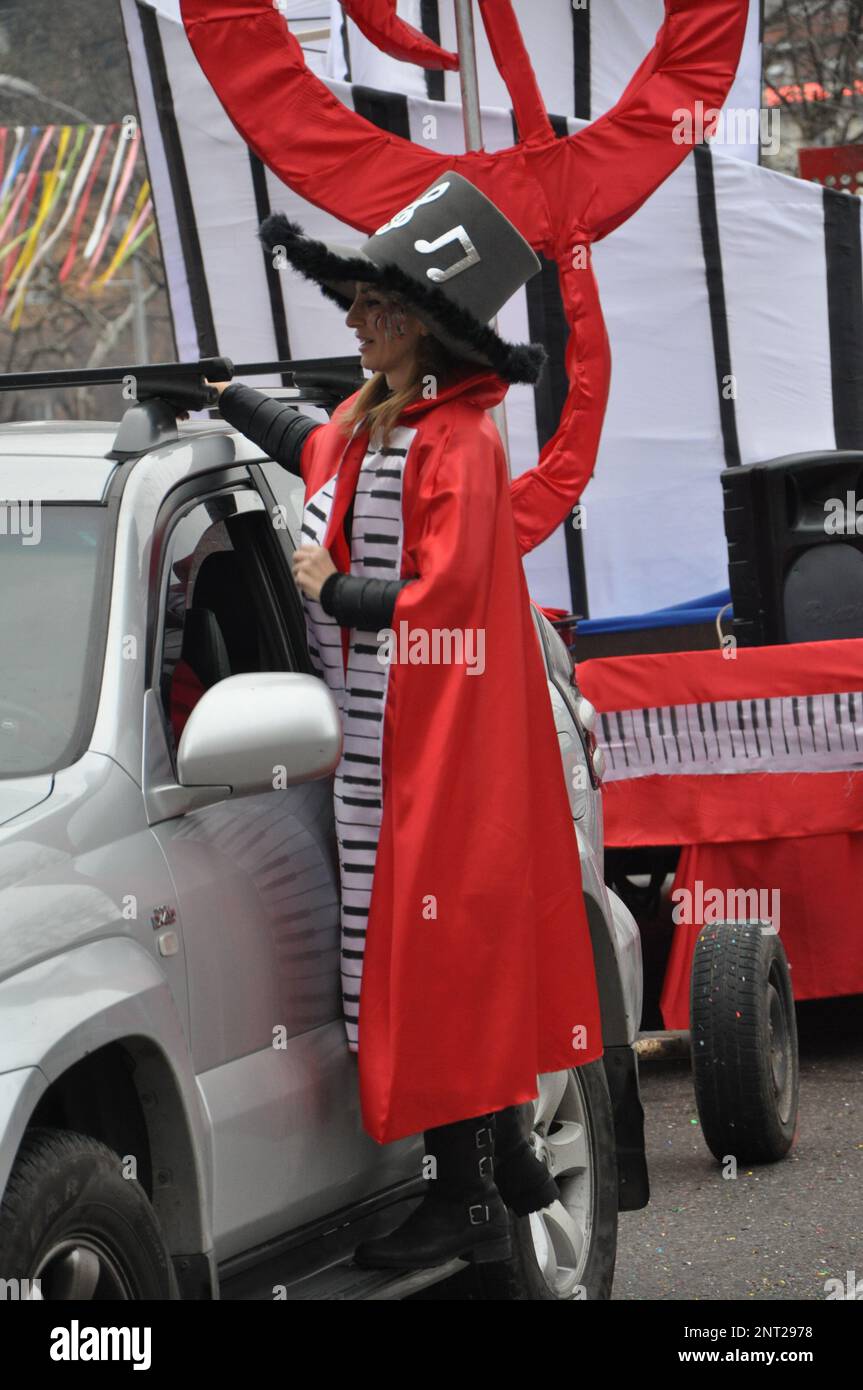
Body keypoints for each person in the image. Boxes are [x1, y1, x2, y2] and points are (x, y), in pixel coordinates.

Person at [210, 171, 603, 1271]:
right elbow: (315, 447)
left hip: (432, 742)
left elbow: (447, 595)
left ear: (427, 327)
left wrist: (331, 591)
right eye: (353, 301)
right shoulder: (383, 416)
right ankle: (505, 1163)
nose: (353, 319)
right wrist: (229, 396)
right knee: (412, 957)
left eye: (373, 306)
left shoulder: (462, 443)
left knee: (434, 959)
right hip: (379, 737)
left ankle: (469, 1193)